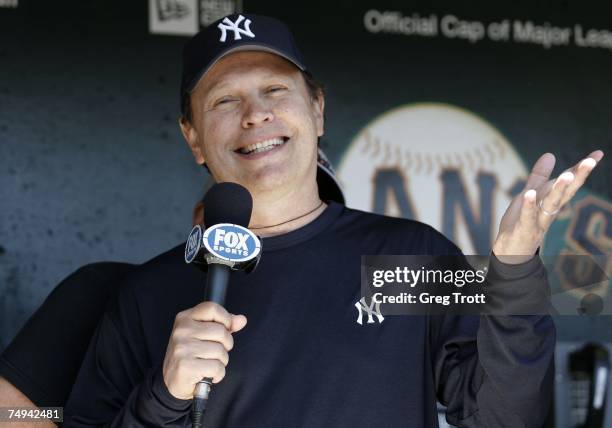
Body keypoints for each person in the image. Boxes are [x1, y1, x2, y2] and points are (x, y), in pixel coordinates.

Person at [63, 13, 603, 427]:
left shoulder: (410, 256)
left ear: (317, 109)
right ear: (193, 138)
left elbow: (505, 417)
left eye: (275, 90)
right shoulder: (147, 294)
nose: (255, 115)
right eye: (225, 101)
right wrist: (163, 395)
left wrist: (513, 270)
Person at [0, 151, 342, 427]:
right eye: (263, 210)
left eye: (310, 218)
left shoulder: (338, 330)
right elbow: (10, 414)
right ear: (204, 219)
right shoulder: (107, 291)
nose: (288, 232)